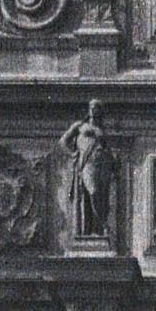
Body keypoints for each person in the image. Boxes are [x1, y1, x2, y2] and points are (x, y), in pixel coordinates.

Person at [60, 99, 114, 237]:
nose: (93, 109)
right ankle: (102, 224)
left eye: (96, 107)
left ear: (100, 111)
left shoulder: (101, 130)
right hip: (86, 164)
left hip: (101, 164)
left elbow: (107, 148)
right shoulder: (80, 126)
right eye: (91, 106)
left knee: (101, 196)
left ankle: (97, 229)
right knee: (93, 191)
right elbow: (64, 141)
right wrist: (73, 153)